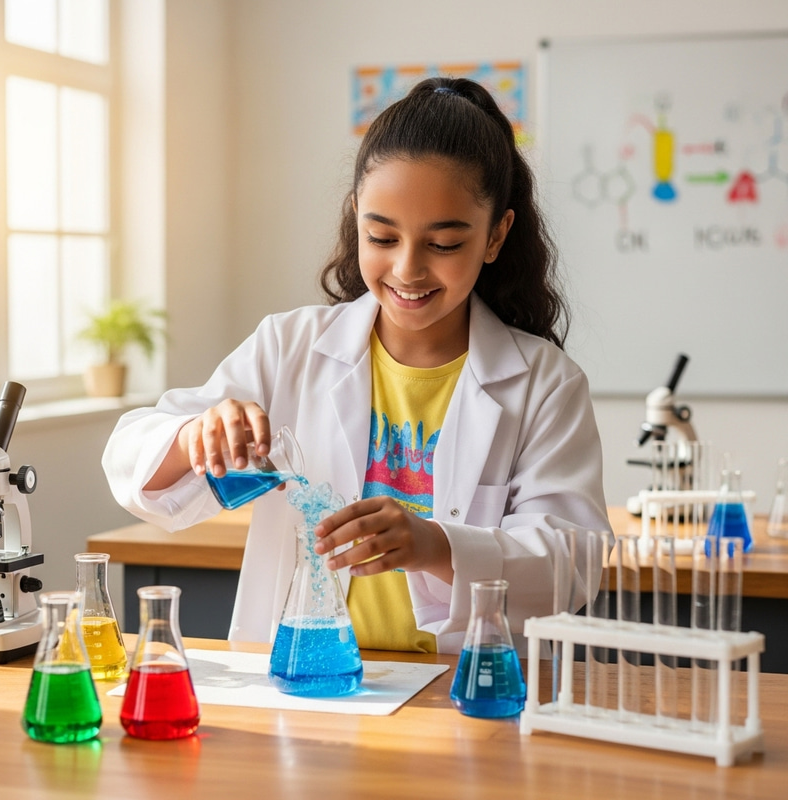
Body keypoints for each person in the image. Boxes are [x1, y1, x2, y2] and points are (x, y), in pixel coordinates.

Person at [102, 76, 611, 655]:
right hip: (309, 691)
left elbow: (572, 564)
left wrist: (436, 545)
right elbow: (128, 459)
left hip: (461, 695)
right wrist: (195, 435)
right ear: (356, 219)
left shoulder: (544, 384)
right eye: (382, 236)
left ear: (496, 235)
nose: (408, 269)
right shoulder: (288, 348)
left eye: (443, 244)